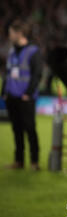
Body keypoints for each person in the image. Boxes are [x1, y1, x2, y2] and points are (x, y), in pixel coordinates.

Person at [1, 20, 43, 171]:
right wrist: (4, 92)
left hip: (26, 97)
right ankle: (19, 161)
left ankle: (34, 161)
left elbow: (37, 74)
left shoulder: (33, 51)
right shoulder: (12, 51)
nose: (9, 35)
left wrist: (28, 93)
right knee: (16, 130)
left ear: (19, 33)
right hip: (12, 97)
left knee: (30, 129)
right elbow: (8, 73)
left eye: (11, 32)